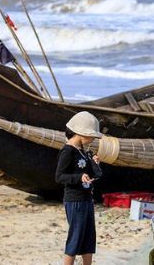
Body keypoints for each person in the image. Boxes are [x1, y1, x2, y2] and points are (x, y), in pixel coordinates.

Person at [55, 111, 104, 265]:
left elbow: (92, 174)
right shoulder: (68, 151)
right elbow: (59, 176)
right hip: (75, 200)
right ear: (80, 133)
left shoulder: (82, 151)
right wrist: (78, 178)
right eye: (91, 136)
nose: (93, 139)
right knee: (75, 238)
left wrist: (94, 163)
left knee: (88, 237)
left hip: (86, 199)